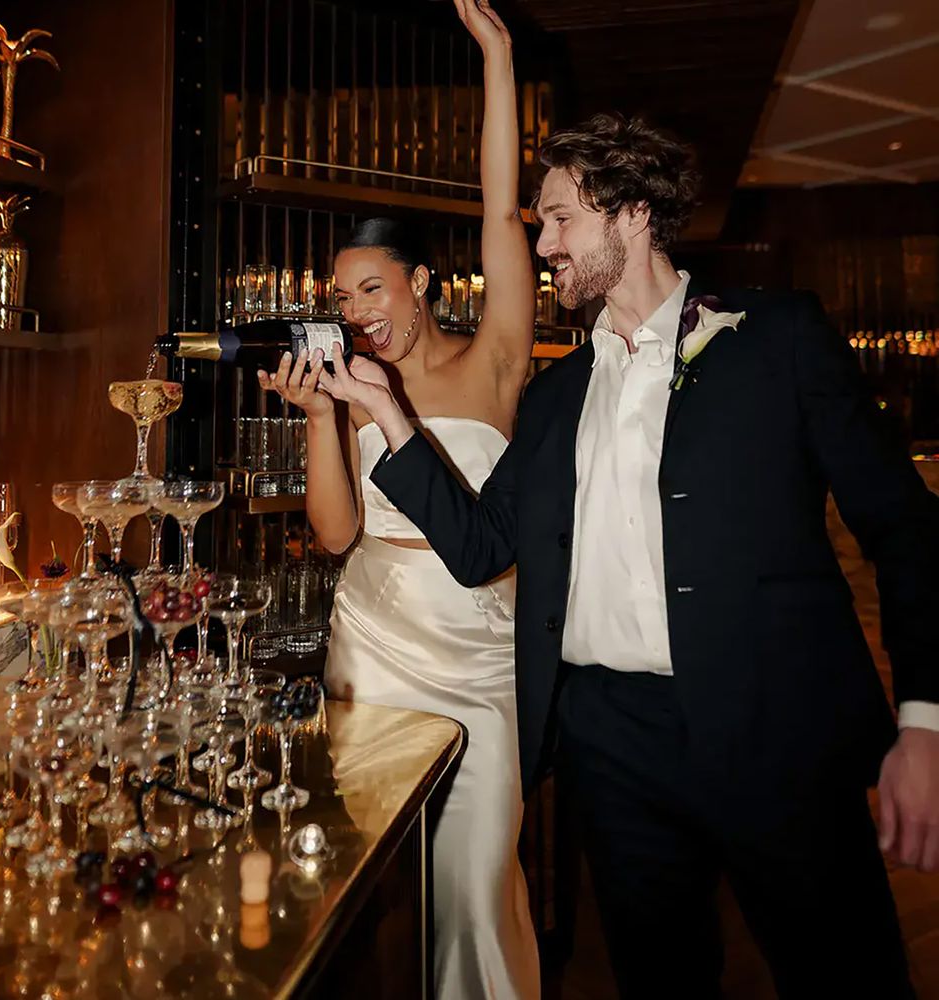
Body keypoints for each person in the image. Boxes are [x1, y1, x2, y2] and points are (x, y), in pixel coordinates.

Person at [318, 111, 939, 998]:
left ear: (634, 213)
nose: (544, 244)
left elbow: (905, 526)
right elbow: (480, 547)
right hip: (612, 748)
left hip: (773, 728)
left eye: (560, 218)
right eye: (540, 223)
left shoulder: (777, 339)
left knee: (846, 976)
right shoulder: (556, 396)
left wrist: (925, 722)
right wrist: (386, 413)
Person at [258, 2, 541, 997]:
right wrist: (318, 416)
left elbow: (501, 214)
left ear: (421, 281)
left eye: (371, 289)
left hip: (481, 651)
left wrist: (496, 55)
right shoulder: (351, 387)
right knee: (385, 882)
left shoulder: (494, 360)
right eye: (341, 299)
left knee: (472, 880)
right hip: (372, 644)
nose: (355, 312)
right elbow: (337, 534)